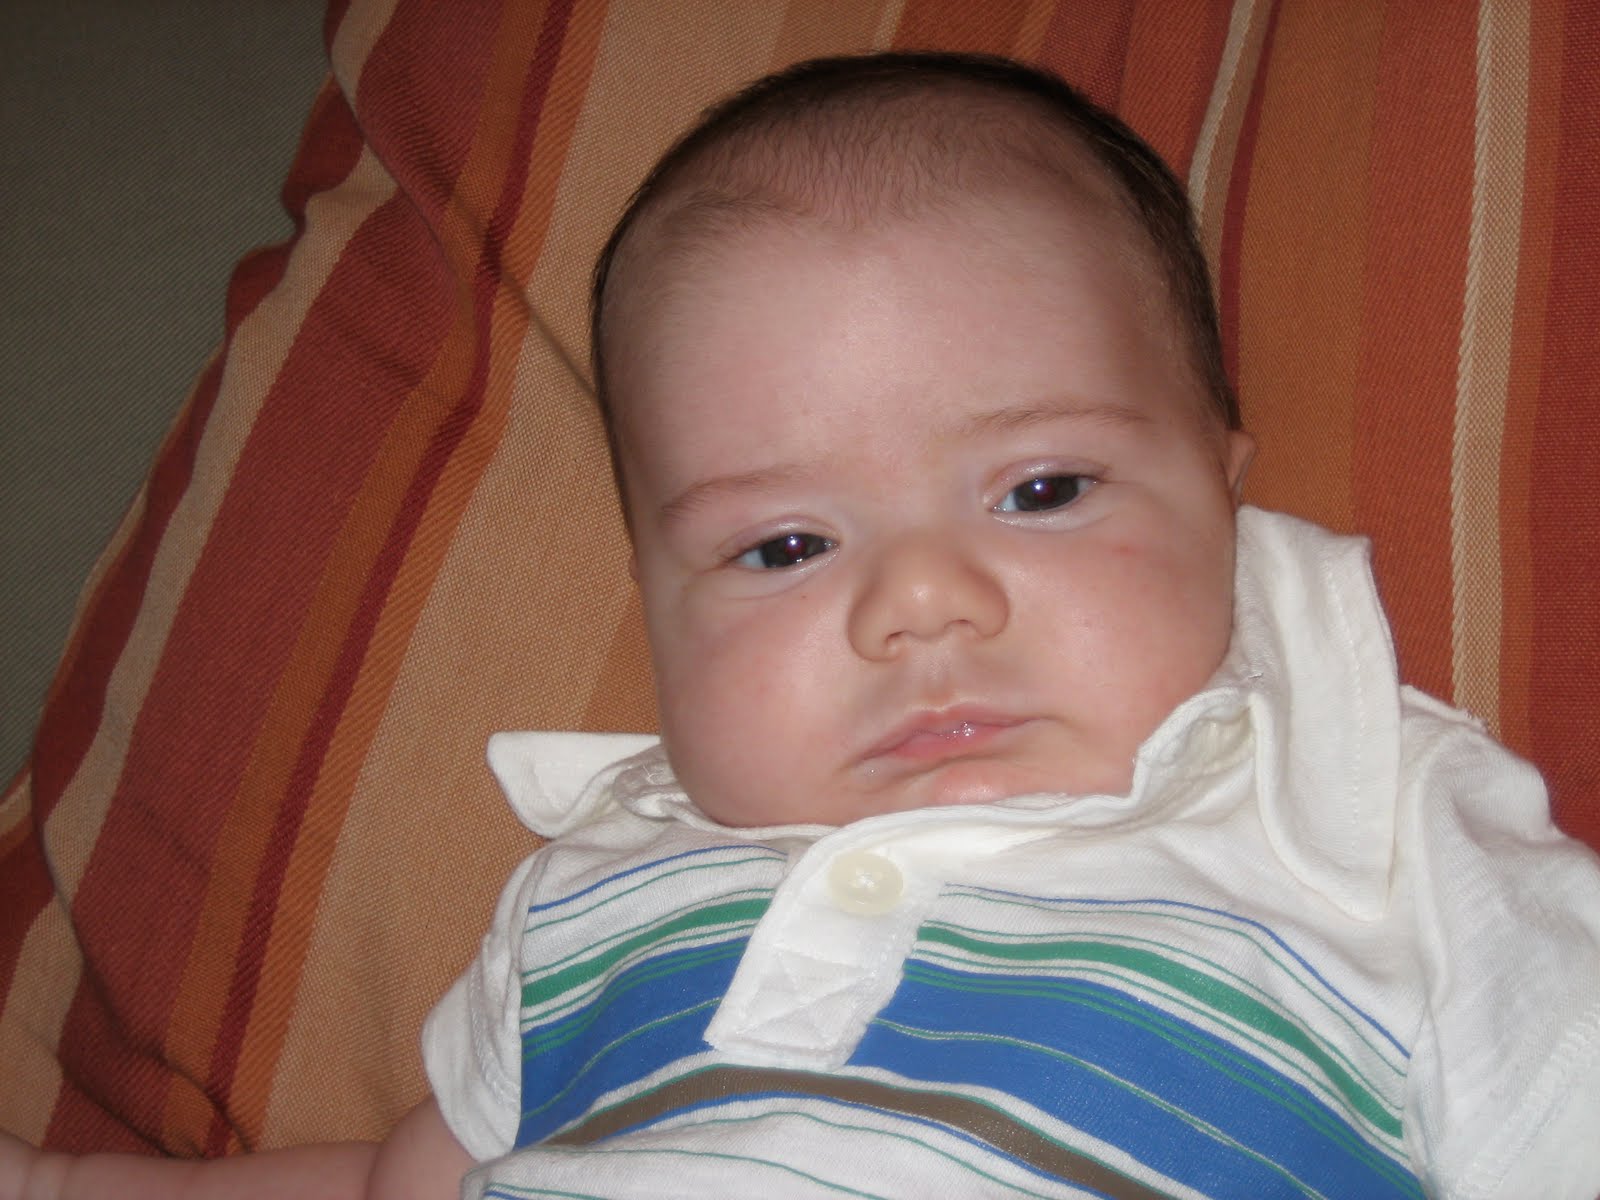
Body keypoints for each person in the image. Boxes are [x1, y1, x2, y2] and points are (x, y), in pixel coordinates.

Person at [5, 50, 1599, 1200]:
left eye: (1043, 489)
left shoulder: (1368, 814)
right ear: (653, 602)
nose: (918, 603)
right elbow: (393, 1185)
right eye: (784, 545)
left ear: (1220, 492)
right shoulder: (597, 892)